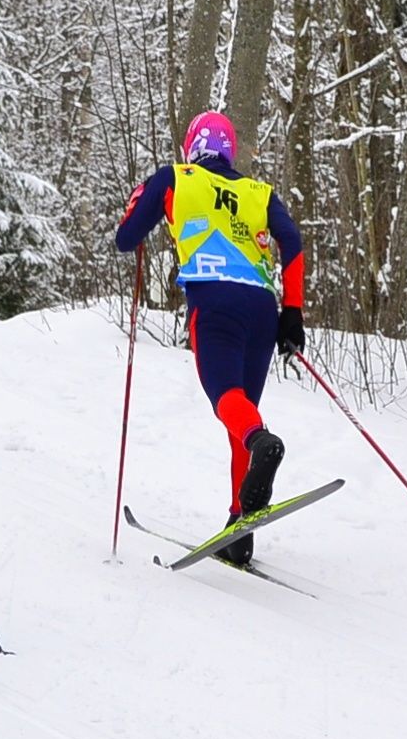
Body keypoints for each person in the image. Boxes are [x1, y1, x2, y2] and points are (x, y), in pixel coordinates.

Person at [113, 111, 307, 566]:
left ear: (191, 148)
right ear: (230, 151)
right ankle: (240, 529)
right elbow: (292, 240)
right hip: (262, 308)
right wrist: (293, 311)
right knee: (243, 414)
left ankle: (263, 444)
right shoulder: (258, 191)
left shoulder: (175, 178)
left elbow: (127, 237)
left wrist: (142, 205)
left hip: (214, 303)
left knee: (227, 401)